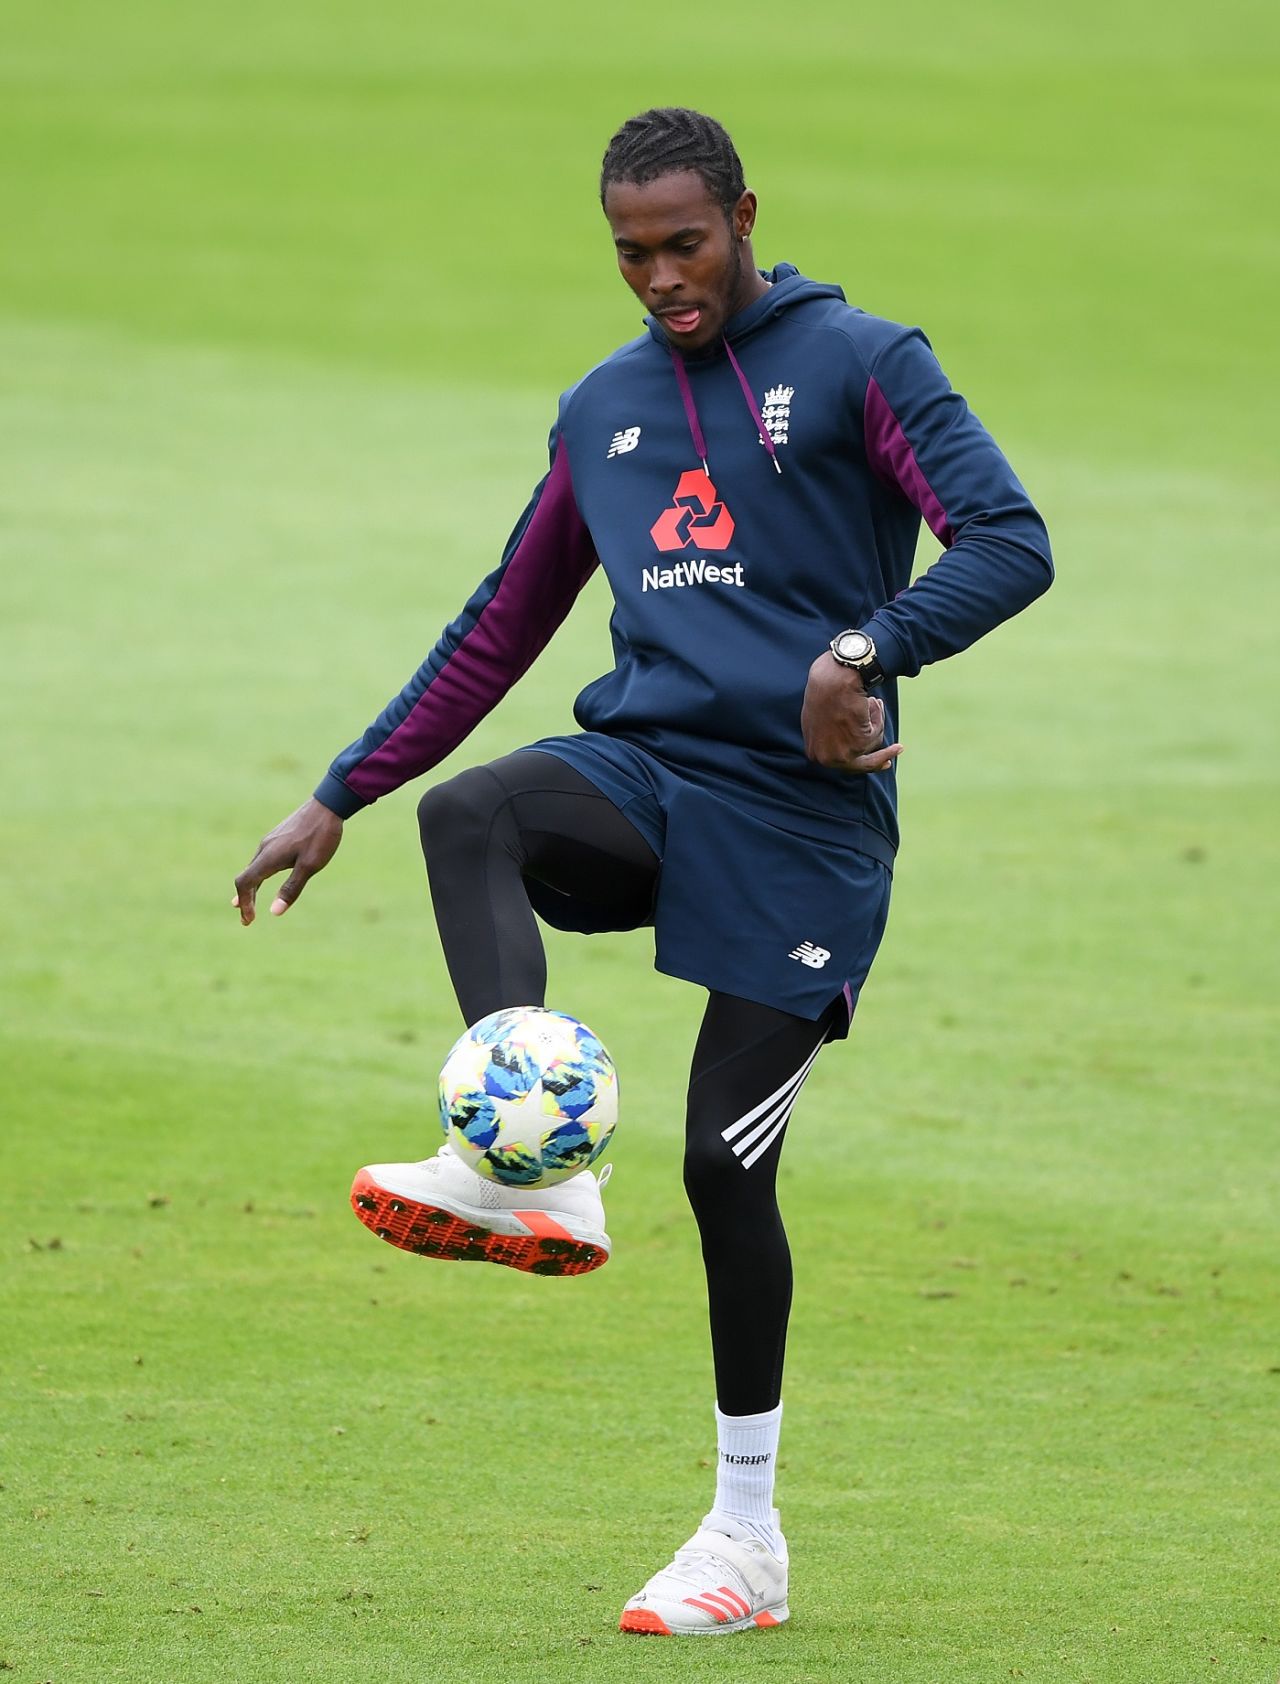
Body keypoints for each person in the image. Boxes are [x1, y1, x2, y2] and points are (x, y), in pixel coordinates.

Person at [233, 107, 1053, 1637]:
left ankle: (745, 1545)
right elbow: (503, 622)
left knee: (726, 1169)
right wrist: (341, 790)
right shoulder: (603, 406)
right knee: (470, 813)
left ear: (743, 214)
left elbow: (1009, 538)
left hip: (806, 827)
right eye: (631, 253)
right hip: (652, 779)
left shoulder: (866, 363)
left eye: (684, 244)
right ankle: (528, 1164)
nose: (661, 278)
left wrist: (868, 649)